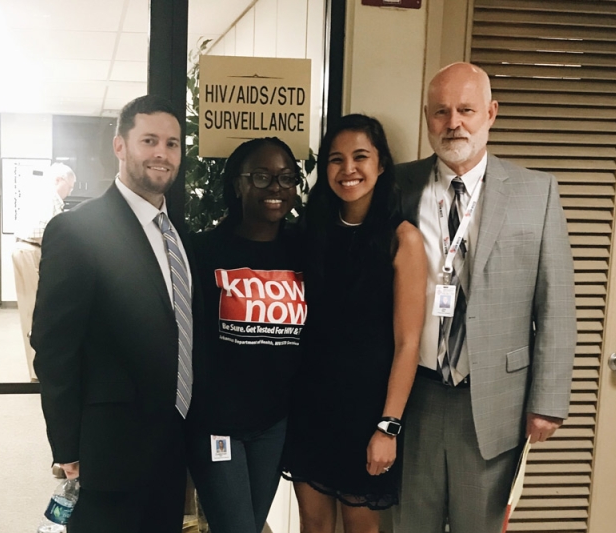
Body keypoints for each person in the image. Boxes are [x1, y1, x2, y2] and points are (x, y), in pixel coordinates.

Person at [392, 62, 577, 532]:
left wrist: (548, 400)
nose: (453, 123)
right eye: (441, 112)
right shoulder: (397, 186)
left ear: (491, 113)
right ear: (427, 117)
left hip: (495, 401)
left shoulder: (537, 193)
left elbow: (556, 305)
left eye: (466, 110)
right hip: (415, 396)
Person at [31, 95, 206, 533]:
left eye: (172, 143)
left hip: (172, 443)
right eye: (149, 140)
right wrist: (66, 446)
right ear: (120, 146)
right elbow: (54, 346)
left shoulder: (178, 235)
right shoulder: (77, 229)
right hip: (108, 448)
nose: (162, 154)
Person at [283, 114, 427, 533]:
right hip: (309, 404)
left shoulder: (402, 239)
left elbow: (408, 343)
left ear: (381, 165)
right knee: (313, 525)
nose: (348, 170)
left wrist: (388, 427)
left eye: (361, 157)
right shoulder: (310, 232)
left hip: (367, 413)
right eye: (336, 159)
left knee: (361, 528)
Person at [188, 137, 307, 533]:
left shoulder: (303, 251)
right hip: (217, 424)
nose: (275, 187)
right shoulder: (203, 252)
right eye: (261, 176)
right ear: (237, 185)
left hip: (274, 423)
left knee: (250, 527)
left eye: (286, 177)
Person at [12, 162, 75, 382]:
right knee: (35, 311)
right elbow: (45, 231)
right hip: (32, 251)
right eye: (70, 186)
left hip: (27, 249)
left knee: (34, 310)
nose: (70, 191)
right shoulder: (49, 197)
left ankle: (39, 367)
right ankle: (38, 370)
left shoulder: (41, 194)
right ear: (59, 180)